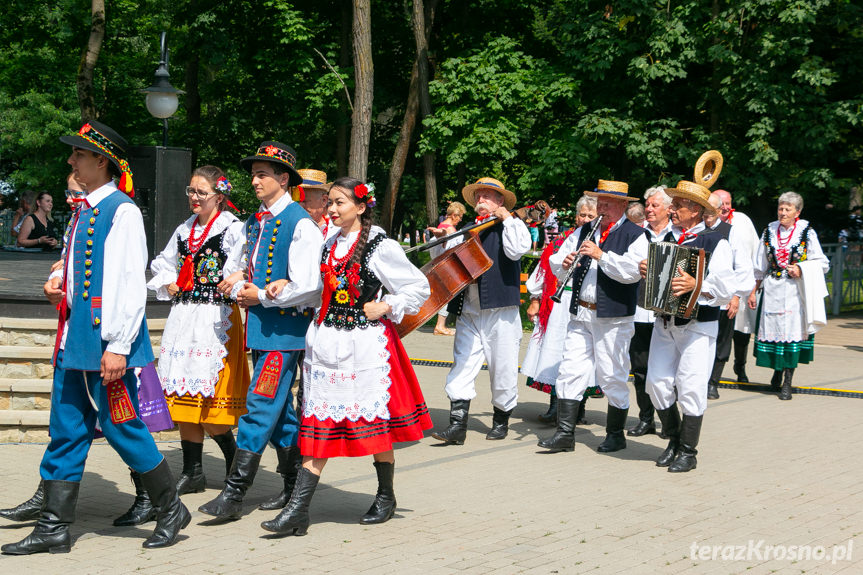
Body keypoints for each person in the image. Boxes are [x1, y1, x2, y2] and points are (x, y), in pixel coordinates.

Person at [1, 121, 190, 556]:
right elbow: (75, 268)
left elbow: (127, 283)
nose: (71, 161)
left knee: (123, 427)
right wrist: (56, 283)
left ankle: (169, 507)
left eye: (79, 155)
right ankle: (53, 527)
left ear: (101, 161)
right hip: (77, 339)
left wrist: (120, 346)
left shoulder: (121, 211)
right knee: (65, 429)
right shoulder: (86, 209)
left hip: (106, 343)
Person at [260, 178, 433, 536]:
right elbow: (321, 291)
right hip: (328, 346)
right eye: (330, 203)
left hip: (365, 347)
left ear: (361, 206)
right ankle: (299, 510)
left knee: (377, 426)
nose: (332, 209)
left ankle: (385, 496)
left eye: (339, 203)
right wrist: (284, 289)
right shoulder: (329, 244)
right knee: (318, 425)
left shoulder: (380, 245)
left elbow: (419, 287)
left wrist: (386, 304)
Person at [198, 141, 323, 520]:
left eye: (262, 174)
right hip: (260, 331)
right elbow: (230, 272)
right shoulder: (253, 222)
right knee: (281, 412)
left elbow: (309, 285)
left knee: (259, 406)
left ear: (283, 179)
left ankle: (234, 494)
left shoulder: (300, 223)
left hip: (284, 335)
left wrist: (261, 296)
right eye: (253, 174)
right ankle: (288, 487)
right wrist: (241, 288)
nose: (254, 180)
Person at [147, 166, 249, 495]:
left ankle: (235, 464)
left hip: (217, 320)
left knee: (212, 402)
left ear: (219, 196)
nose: (193, 197)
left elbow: (246, 262)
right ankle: (193, 472)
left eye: (201, 193)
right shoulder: (184, 229)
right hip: (185, 317)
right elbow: (164, 261)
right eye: (190, 191)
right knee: (183, 398)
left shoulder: (232, 227)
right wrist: (168, 281)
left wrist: (232, 279)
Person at [537, 180, 648, 454]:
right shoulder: (585, 229)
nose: (602, 208)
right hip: (581, 311)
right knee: (569, 372)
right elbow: (559, 258)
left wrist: (601, 255)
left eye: (608, 203)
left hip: (613, 317)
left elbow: (632, 272)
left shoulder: (637, 234)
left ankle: (615, 434)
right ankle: (565, 433)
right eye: (600, 202)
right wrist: (562, 264)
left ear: (623, 205)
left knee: (612, 375)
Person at [642, 175, 735, 473]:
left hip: (698, 326)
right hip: (665, 321)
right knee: (656, 383)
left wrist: (698, 284)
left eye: (679, 205)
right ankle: (674, 438)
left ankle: (688, 451)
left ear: (695, 210)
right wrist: (646, 270)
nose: (673, 209)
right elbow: (658, 278)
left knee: (691, 386)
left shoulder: (716, 241)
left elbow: (724, 288)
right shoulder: (666, 239)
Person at [432, 177, 531, 444]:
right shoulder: (466, 228)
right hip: (470, 310)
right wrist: (442, 241)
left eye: (487, 196)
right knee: (461, 365)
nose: (480, 201)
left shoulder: (511, 225)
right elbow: (444, 262)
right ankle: (457, 426)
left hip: (501, 310)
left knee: (503, 368)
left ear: (500, 201)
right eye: (478, 196)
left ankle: (501, 419)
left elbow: (518, 249)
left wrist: (508, 219)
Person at [522, 195, 602, 426]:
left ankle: (579, 408)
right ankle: (556, 406)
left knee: (583, 357)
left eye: (590, 215)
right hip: (561, 301)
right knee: (557, 352)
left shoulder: (601, 240)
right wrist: (535, 298)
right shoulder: (563, 239)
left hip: (586, 303)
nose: (585, 218)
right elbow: (544, 269)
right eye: (582, 214)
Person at [747, 192, 829, 400]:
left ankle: (787, 382)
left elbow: (822, 263)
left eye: (787, 209)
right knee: (775, 332)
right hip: (773, 289)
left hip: (794, 292)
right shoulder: (768, 232)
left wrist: (801, 269)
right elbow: (759, 265)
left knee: (791, 333)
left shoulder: (806, 233)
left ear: (797, 212)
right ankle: (776, 372)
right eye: (780, 208)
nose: (782, 213)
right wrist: (752, 291)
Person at [627, 185, 673, 437]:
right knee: (641, 368)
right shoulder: (637, 235)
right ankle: (646, 419)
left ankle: (669, 421)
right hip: (639, 309)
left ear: (668, 209)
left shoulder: (676, 234)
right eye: (648, 205)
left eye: (655, 205)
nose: (649, 209)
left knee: (667, 371)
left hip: (667, 313)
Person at [703, 193, 755, 399]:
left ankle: (713, 381)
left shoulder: (730, 232)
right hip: (701, 296)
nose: (708, 214)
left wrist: (736, 295)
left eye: (713, 209)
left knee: (723, 338)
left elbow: (743, 267)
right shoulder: (696, 230)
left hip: (724, 297)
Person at [713, 189, 761, 383]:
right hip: (719, 290)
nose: (725, 207)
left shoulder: (742, 221)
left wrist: (752, 290)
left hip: (743, 286)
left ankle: (740, 367)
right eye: (721, 203)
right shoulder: (708, 224)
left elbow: (756, 254)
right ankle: (713, 375)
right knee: (719, 333)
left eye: (728, 203)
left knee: (742, 332)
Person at [426, 201, 467, 336]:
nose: (460, 219)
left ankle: (440, 325)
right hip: (446, 266)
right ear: (454, 215)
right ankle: (440, 325)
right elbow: (447, 248)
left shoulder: (443, 226)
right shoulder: (448, 229)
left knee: (447, 295)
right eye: (460, 216)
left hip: (442, 265)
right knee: (447, 295)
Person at [296, 168, 333, 238]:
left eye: (305, 201)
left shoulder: (335, 230)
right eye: (296, 201)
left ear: (324, 200)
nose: (300, 205)